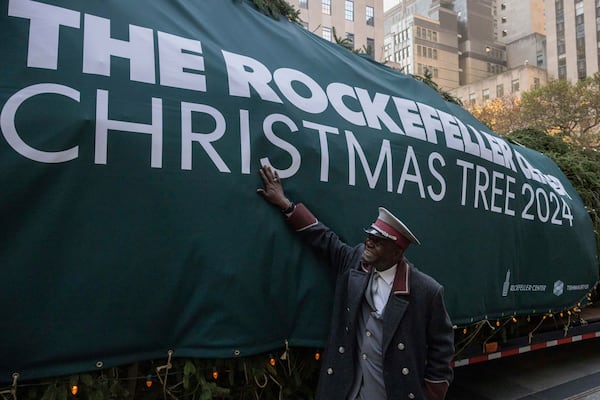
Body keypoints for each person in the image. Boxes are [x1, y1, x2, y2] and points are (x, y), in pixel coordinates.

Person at [257, 165, 454, 400]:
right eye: (369, 236)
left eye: (378, 241)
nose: (368, 243)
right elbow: (323, 238)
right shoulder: (354, 261)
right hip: (350, 390)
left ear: (396, 252)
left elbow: (442, 352)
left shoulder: (426, 291)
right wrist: (285, 204)